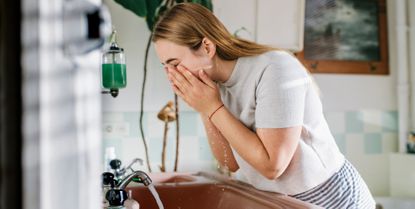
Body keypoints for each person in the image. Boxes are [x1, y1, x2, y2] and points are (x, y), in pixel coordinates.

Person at [151, 3, 375, 209]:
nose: (170, 74)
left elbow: (272, 167)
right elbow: (229, 162)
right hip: (285, 201)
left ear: (207, 47)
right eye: (165, 67)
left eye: (175, 64)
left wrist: (212, 108)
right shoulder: (216, 87)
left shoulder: (275, 69)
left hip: (331, 198)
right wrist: (205, 108)